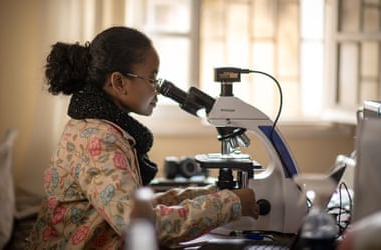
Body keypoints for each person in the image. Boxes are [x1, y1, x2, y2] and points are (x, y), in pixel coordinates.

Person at [25, 26, 259, 250]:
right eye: (151, 78)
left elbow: (140, 209)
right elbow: (142, 227)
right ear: (119, 82)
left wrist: (210, 193)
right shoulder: (97, 142)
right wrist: (230, 204)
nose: (157, 88)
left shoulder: (104, 129)